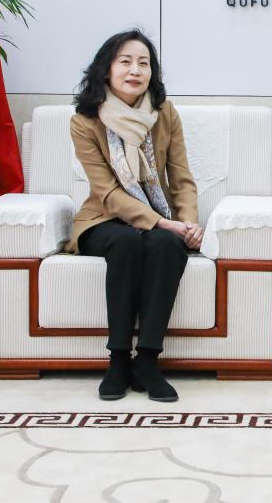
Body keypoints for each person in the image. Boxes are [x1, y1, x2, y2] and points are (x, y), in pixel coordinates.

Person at [66, 29, 203, 402]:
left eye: (144, 63)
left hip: (159, 214)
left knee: (167, 245)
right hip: (103, 219)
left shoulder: (164, 112)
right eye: (125, 61)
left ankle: (147, 361)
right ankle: (117, 360)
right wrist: (163, 222)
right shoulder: (85, 120)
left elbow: (181, 177)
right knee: (127, 241)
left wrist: (188, 222)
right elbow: (108, 192)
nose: (135, 70)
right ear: (107, 68)